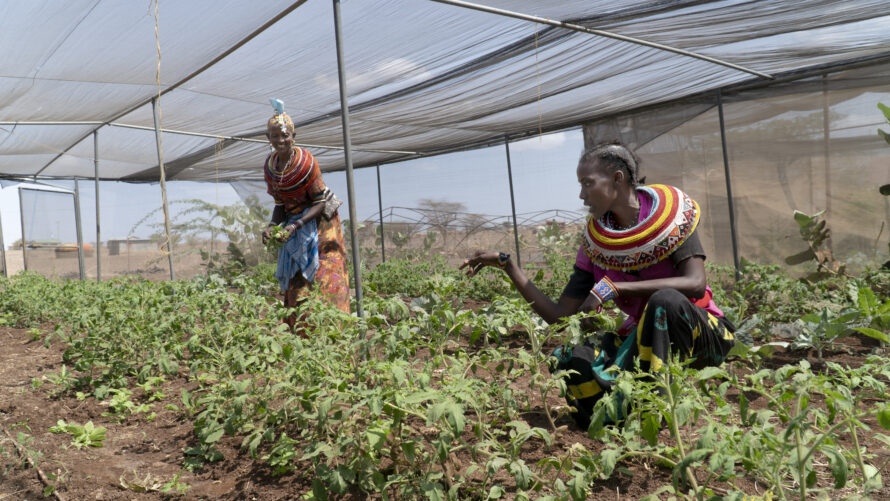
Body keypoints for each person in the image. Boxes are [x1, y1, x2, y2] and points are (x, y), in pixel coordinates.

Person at [460, 141, 736, 423]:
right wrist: (508, 265)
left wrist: (613, 288)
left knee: (664, 302)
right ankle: (614, 417)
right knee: (570, 358)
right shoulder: (596, 244)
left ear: (617, 178)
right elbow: (559, 316)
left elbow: (695, 284)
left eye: (587, 183)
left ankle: (658, 412)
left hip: (701, 334)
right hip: (640, 340)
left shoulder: (672, 218)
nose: (581, 195)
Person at [261, 99, 350, 328]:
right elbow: (280, 204)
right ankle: (301, 329)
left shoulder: (306, 162)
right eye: (275, 136)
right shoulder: (270, 167)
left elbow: (320, 201)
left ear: (293, 136)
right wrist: (273, 226)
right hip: (295, 222)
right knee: (296, 279)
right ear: (268, 138)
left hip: (321, 221)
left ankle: (333, 329)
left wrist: (295, 226)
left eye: (285, 135)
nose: (281, 140)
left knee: (326, 273)